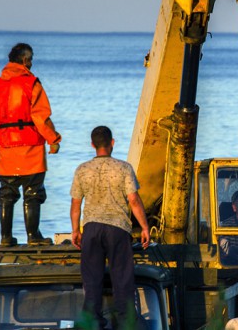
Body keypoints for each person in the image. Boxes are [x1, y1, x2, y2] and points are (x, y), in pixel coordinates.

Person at [69, 126, 150, 330]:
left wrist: (75, 231)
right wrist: (145, 227)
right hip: (118, 229)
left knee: (92, 279)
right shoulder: (124, 168)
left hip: (92, 228)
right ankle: (126, 322)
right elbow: (133, 200)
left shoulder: (82, 170)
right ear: (112, 142)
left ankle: (93, 322)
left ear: (92, 145)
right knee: (122, 278)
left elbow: (76, 204)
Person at [0, 43, 61, 247]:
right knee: (33, 193)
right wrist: (53, 140)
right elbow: (40, 117)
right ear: (26, 60)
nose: (32, 63)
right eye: (32, 59)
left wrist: (1, 141)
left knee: (7, 193)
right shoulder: (31, 83)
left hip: (6, 149)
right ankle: (33, 236)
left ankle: (5, 237)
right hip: (31, 147)